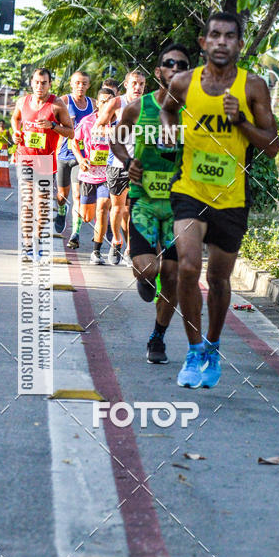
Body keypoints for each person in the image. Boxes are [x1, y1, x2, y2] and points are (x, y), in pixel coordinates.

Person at [161, 12, 279, 388]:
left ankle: (213, 344)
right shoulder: (183, 81)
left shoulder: (253, 87)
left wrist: (241, 121)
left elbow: (273, 146)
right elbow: (165, 107)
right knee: (189, 268)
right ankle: (194, 351)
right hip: (189, 190)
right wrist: (169, 130)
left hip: (231, 195)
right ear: (203, 42)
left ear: (240, 44)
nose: (222, 42)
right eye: (215, 35)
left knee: (219, 277)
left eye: (230, 36)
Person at [111, 44, 191, 363]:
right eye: (168, 65)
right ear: (158, 72)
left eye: (181, 66)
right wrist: (127, 160)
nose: (174, 70)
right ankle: (145, 278)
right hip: (143, 202)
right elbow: (117, 139)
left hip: (178, 208)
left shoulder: (194, 113)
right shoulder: (138, 107)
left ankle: (157, 338)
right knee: (148, 268)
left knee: (172, 278)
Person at [11, 68, 73, 259]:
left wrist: (53, 126)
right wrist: (16, 132)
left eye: (44, 83)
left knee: (42, 205)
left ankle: (37, 240)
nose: (40, 86)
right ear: (31, 83)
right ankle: (27, 245)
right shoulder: (23, 101)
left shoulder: (57, 104)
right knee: (28, 201)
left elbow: (71, 132)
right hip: (25, 157)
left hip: (46, 161)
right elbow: (16, 118)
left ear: (49, 84)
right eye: (37, 82)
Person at [95, 69, 146, 265]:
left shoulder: (147, 105)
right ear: (126, 85)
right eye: (134, 83)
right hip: (117, 162)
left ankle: (131, 249)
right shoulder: (117, 103)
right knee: (117, 208)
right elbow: (99, 125)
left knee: (134, 209)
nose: (138, 87)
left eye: (141, 84)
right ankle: (116, 241)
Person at [71, 87, 116, 264]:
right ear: (97, 103)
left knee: (103, 208)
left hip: (109, 174)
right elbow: (74, 141)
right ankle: (98, 224)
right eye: (103, 101)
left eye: (110, 101)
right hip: (89, 174)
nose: (106, 104)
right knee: (87, 215)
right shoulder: (87, 122)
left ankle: (96, 251)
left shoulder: (119, 123)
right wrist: (81, 159)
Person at [54, 71, 95, 247]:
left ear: (88, 85)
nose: (81, 86)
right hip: (64, 154)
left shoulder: (93, 104)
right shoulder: (64, 101)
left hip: (82, 156)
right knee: (62, 195)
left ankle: (75, 234)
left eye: (84, 83)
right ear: (71, 84)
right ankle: (62, 209)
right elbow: (51, 124)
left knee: (77, 195)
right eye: (77, 83)